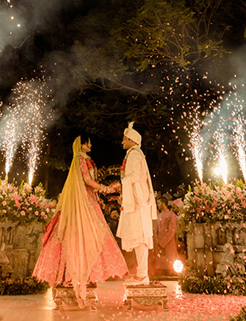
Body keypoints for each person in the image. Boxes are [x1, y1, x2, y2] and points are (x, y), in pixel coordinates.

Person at [33, 136, 127, 305]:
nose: (90, 145)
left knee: (87, 237)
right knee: (84, 238)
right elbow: (88, 181)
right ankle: (73, 276)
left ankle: (83, 276)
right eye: (88, 142)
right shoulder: (80, 159)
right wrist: (107, 188)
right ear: (82, 145)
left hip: (88, 201)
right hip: (83, 203)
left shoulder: (84, 159)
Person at [115, 122, 158, 285]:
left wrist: (122, 183)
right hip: (137, 202)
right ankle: (141, 273)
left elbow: (136, 176)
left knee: (140, 238)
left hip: (137, 203)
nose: (122, 142)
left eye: (124, 138)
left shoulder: (134, 154)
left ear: (132, 140)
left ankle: (142, 274)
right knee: (138, 238)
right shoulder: (134, 153)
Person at [151, 196, 179, 277]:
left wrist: (161, 244)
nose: (158, 205)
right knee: (160, 270)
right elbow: (155, 231)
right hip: (160, 246)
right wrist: (157, 244)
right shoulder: (158, 216)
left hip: (169, 245)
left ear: (163, 203)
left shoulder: (171, 215)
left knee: (170, 270)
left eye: (159, 203)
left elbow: (171, 232)